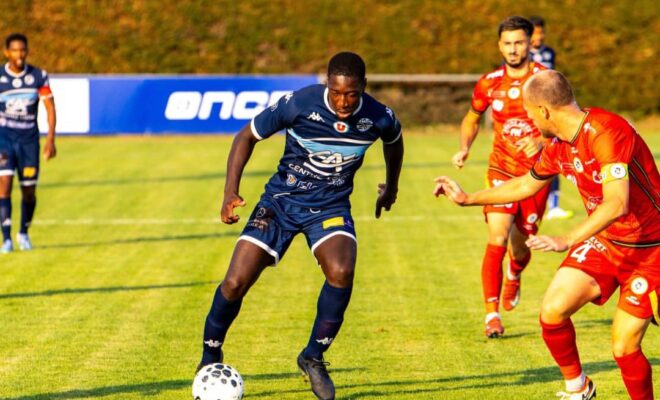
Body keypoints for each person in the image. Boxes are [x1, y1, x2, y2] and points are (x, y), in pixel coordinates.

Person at [435, 69, 658, 400]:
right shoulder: (559, 146)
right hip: (606, 242)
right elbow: (526, 184)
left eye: (528, 111)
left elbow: (617, 203)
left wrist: (566, 239)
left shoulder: (607, 131)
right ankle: (578, 388)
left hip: (651, 249)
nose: (527, 118)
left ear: (543, 110)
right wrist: (469, 198)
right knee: (553, 310)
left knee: (624, 347)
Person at [197, 52, 403, 400]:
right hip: (279, 203)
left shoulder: (378, 116)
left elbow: (395, 142)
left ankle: (313, 356)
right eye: (336, 93)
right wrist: (230, 191)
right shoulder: (300, 104)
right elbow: (246, 136)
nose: (343, 102)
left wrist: (391, 188)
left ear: (364, 87)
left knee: (342, 271)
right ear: (327, 84)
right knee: (234, 282)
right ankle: (210, 355)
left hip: (330, 207)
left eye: (351, 94)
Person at [452, 16, 549, 337]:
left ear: (530, 43)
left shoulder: (546, 81)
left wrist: (541, 141)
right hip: (501, 169)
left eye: (519, 42)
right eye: (507, 43)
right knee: (497, 237)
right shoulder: (489, 82)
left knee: (520, 247)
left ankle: (515, 272)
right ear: (499, 46)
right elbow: (472, 118)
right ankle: (491, 315)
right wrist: (464, 147)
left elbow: (565, 122)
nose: (513, 49)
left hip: (536, 174)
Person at [0, 33, 56, 253]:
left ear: (27, 51)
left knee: (29, 190)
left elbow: (50, 108)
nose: (19, 54)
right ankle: (6, 239)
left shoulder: (38, 76)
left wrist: (50, 140)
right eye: (14, 50)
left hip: (29, 142)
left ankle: (23, 233)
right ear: (6, 52)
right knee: (4, 185)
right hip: (4, 139)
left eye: (22, 50)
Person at [529, 15, 574, 221]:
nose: (539, 36)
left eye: (541, 32)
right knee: (532, 158)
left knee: (553, 153)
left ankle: (554, 205)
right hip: (531, 111)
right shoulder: (521, 55)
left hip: (550, 111)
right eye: (535, 33)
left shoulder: (549, 53)